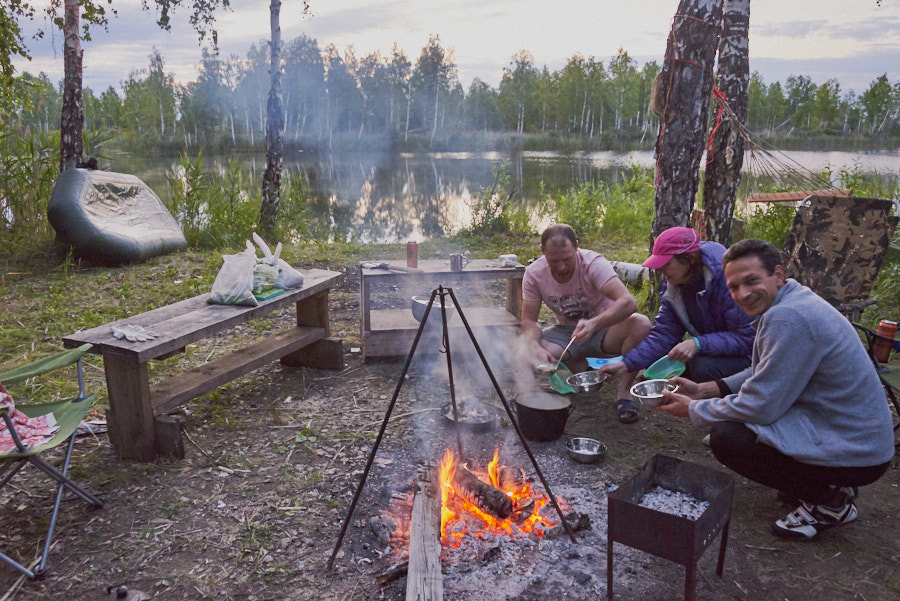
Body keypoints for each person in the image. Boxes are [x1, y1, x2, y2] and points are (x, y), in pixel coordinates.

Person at [655, 238, 894, 540]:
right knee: (737, 424)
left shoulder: (789, 318)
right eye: (733, 286)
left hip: (859, 450)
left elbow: (761, 406)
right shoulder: (792, 300)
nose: (742, 294)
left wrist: (693, 409)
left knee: (728, 437)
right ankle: (828, 483)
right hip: (849, 433)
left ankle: (831, 503)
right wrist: (709, 390)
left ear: (778, 275)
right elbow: (764, 372)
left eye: (751, 281)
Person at [598, 227, 755, 418]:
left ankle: (731, 412)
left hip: (753, 360)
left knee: (701, 366)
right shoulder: (675, 284)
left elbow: (749, 339)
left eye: (666, 264)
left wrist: (698, 343)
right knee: (669, 365)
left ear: (688, 259)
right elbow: (664, 334)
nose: (660, 271)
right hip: (718, 349)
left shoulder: (729, 280)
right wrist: (626, 364)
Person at [519, 224, 651, 421]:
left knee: (641, 324)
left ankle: (624, 393)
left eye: (567, 259)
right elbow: (529, 321)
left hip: (606, 330)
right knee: (524, 354)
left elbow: (628, 302)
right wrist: (532, 345)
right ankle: (534, 398)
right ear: (542, 251)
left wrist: (593, 324)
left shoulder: (593, 264)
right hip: (567, 334)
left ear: (577, 248)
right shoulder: (534, 274)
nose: (562, 267)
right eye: (554, 260)